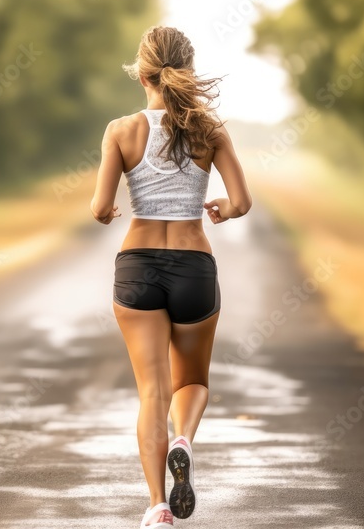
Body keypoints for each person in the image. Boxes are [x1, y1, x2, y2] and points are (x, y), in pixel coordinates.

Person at [89, 26, 252, 528]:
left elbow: (98, 207)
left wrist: (109, 212)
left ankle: (158, 505)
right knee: (194, 381)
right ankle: (183, 440)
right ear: (187, 70)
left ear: (141, 74)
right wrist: (221, 209)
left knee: (152, 394)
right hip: (193, 267)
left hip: (137, 266)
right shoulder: (210, 130)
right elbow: (241, 201)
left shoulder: (120, 130)